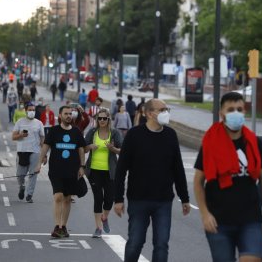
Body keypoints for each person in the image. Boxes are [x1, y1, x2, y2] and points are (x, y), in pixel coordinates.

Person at [193, 92, 262, 262]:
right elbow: (198, 182)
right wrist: (205, 214)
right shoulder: (210, 143)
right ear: (221, 114)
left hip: (250, 219)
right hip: (219, 221)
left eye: (239, 109)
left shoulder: (253, 142)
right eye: (230, 109)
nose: (236, 113)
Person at [114, 99, 190, 262]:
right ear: (148, 113)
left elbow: (178, 168)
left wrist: (185, 198)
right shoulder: (134, 135)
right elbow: (121, 170)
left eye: (166, 109)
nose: (165, 112)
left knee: (162, 244)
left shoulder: (170, 135)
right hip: (138, 199)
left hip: (163, 200)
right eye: (161, 109)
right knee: (135, 242)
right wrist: (118, 199)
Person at [38, 105, 87, 238]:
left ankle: (63, 226)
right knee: (58, 197)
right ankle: (57, 226)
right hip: (56, 170)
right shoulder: (54, 131)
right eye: (66, 113)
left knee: (67, 199)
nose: (69, 116)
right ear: (60, 116)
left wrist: (82, 166)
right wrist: (39, 163)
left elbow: (81, 150)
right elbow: (45, 147)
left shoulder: (76, 132)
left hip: (72, 171)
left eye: (70, 114)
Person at [84, 109, 123, 238]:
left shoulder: (115, 133)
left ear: (108, 120)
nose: (101, 121)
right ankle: (98, 228)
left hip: (111, 172)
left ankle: (104, 217)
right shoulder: (92, 132)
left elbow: (123, 151)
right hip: (94, 171)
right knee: (98, 198)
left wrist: (113, 149)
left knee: (109, 199)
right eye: (99, 118)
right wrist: (90, 147)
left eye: (104, 119)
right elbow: (83, 149)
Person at [12, 102, 45, 203]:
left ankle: (29, 194)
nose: (32, 112)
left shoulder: (39, 123)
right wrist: (21, 135)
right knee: (19, 174)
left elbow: (42, 139)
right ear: (26, 111)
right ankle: (22, 187)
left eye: (33, 110)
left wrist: (44, 155)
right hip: (22, 151)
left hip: (35, 152)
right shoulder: (20, 122)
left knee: (33, 174)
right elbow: (13, 137)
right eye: (30, 110)